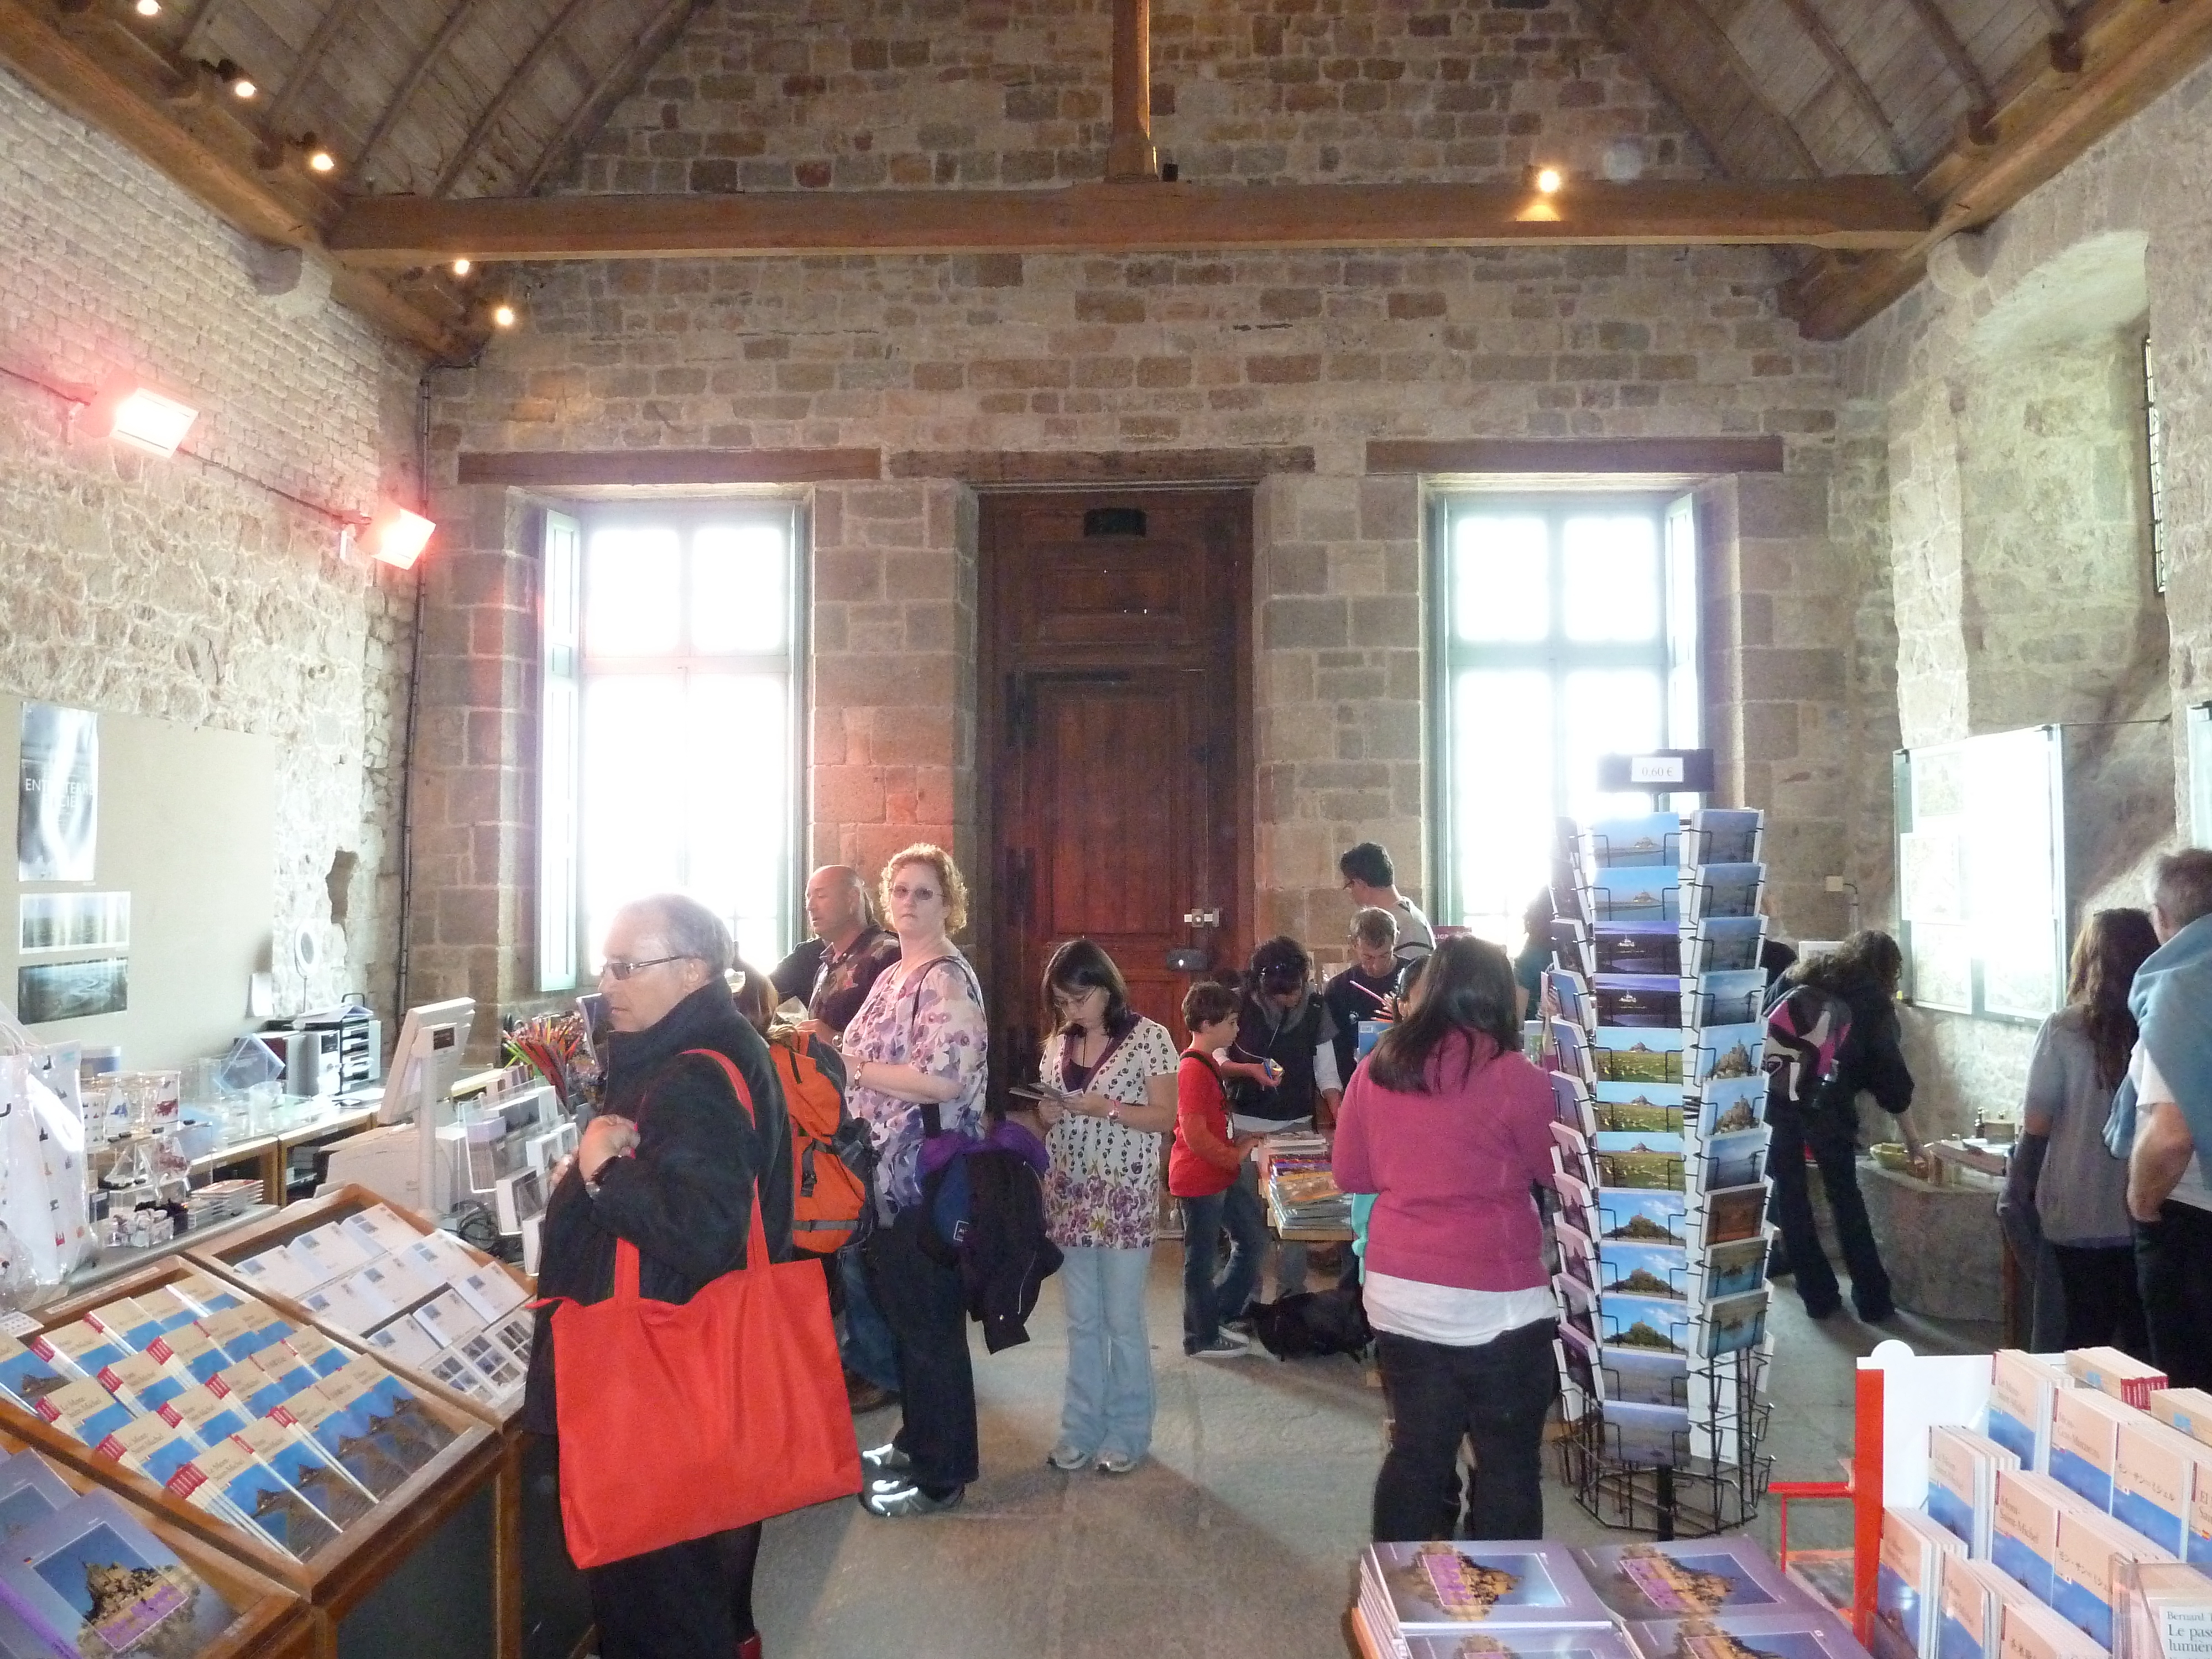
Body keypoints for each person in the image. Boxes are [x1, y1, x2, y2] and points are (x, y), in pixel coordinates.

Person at [526, 895, 794, 1659]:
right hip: (679, 1364)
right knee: (678, 1588)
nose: (606, 983)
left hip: (656, 1369)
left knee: (656, 1600)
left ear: (693, 970)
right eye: (604, 964)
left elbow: (703, 1230)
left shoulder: (692, 1075)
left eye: (625, 966)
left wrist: (602, 1169)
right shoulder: (707, 1045)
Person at [1332, 935, 1558, 1542]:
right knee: (1507, 1464)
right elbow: (1552, 1171)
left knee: (1417, 1454)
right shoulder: (1514, 1076)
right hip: (1494, 1299)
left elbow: (1352, 1174)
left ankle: (1400, 1617)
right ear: (1495, 994)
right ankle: (1501, 1620)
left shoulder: (1377, 1068)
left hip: (1398, 1291)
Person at [840, 844, 990, 1516]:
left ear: (948, 903)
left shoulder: (946, 980)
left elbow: (946, 1080)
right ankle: (915, 1436)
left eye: (923, 893)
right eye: (899, 890)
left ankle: (943, 1473)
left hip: (924, 1175)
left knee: (929, 1326)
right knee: (903, 1316)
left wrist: (855, 1071)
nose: (907, 903)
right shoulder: (896, 972)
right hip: (883, 1172)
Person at [1033, 940, 1180, 1473]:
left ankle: (1129, 1431)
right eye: (1062, 1003)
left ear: (1106, 987)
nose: (1071, 1012)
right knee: (1081, 1320)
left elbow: (1165, 1117)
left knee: (1121, 1318)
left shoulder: (1151, 1039)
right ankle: (1080, 1427)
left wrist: (1108, 1109)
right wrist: (1050, 1112)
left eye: (1079, 999)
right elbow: (1051, 1118)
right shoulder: (1057, 1044)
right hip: (1070, 1192)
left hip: (1123, 1194)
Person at [2005, 908, 2158, 1355]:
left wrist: (2018, 1193)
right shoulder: (2161, 1025)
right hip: (2147, 1211)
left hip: (2076, 1212)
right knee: (2141, 1352)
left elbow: (2037, 1125)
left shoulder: (2064, 1029)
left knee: (2075, 1345)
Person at [1766, 931, 1911, 1323]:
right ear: (1888, 969)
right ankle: (1873, 1299)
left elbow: (1762, 1028)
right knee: (1846, 1199)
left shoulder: (1796, 977)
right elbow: (1890, 1074)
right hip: (1829, 1111)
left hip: (1779, 1105)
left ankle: (1818, 1296)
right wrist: (1911, 1135)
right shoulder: (1872, 1001)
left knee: (1792, 1201)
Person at [2124, 849, 2212, 1388]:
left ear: (2160, 917)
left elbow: (2171, 1134)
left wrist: (2140, 1202)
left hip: (2193, 1225)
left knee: (2190, 1402)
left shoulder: (2183, 989)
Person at [1221, 936, 1342, 1300]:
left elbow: (1328, 1075)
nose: (1289, 1000)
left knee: (1297, 1221)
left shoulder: (1318, 1009)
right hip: (1245, 1127)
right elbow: (1215, 1059)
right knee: (1250, 1224)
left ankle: (1293, 1298)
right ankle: (1249, 1301)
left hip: (1296, 1126)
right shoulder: (1238, 1006)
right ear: (1260, 986)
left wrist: (1341, 1116)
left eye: (1294, 991)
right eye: (1280, 995)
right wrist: (1250, 1070)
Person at [1171, 980, 1267, 1358]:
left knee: (1253, 1241)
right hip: (1201, 1179)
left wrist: (1238, 1143)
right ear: (1208, 1025)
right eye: (1231, 1022)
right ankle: (1202, 1336)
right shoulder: (1193, 1068)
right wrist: (1235, 1154)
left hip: (1219, 1176)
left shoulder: (1209, 1062)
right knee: (1201, 1262)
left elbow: (1213, 1122)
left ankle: (1214, 1314)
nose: (1237, 1029)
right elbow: (1194, 1134)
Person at [770, 865, 901, 1039]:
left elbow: (895, 1039)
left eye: (821, 896)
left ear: (851, 899)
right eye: (808, 898)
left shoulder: (887, 955)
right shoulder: (826, 963)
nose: (810, 907)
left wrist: (835, 1040)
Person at [1323, 907, 1403, 1084]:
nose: (1377, 966)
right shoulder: (1339, 989)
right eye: (1368, 957)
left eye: (1385, 955)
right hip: (1359, 1083)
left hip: (1408, 1083)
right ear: (1353, 944)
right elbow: (1337, 1051)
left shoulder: (1416, 978)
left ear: (1396, 938)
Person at [1339, 841, 1436, 965]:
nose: (1350, 893)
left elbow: (1415, 979)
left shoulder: (1410, 925)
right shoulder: (1395, 918)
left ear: (1360, 884)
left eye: (1349, 886)